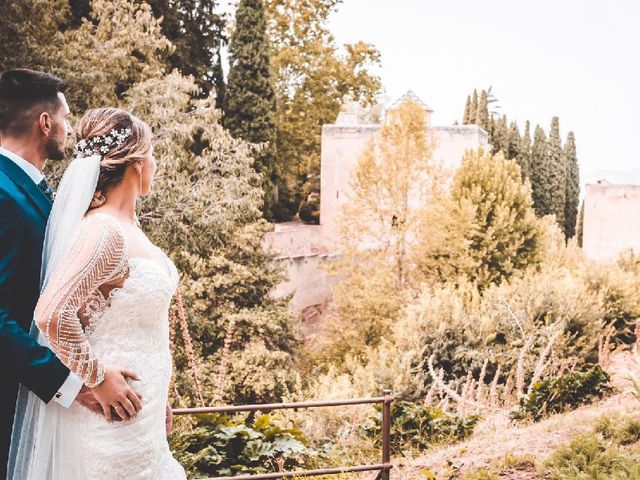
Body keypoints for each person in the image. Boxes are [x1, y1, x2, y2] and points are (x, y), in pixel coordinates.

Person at [6, 100, 185, 476]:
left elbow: (123, 324)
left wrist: (159, 393)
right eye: (151, 155)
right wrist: (98, 378)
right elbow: (52, 314)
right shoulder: (103, 231)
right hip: (112, 423)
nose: (154, 165)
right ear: (137, 163)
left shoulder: (130, 228)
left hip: (142, 415)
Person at [0, 69, 141, 479]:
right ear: (45, 123)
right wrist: (76, 384)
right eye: (64, 118)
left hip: (50, 409)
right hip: (12, 404)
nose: (68, 128)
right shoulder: (3, 194)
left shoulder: (36, 191)